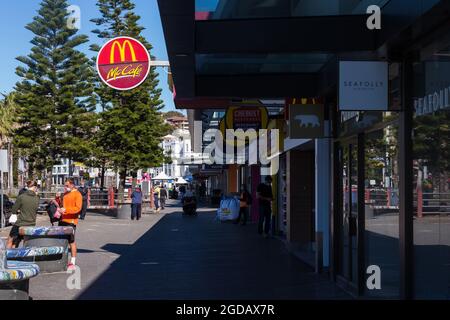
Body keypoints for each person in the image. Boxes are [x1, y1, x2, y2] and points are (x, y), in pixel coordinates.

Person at [6, 181, 40, 249]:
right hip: (31, 223)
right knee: (25, 241)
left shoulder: (22, 197)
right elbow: (35, 209)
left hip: (20, 223)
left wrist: (19, 210)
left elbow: (13, 210)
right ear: (35, 187)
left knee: (10, 239)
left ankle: (6, 256)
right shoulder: (37, 198)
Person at [60, 179, 83, 271]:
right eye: (65, 185)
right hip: (63, 219)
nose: (65, 187)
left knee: (71, 241)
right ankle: (62, 259)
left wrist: (66, 210)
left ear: (72, 185)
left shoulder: (78, 194)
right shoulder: (65, 194)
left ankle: (73, 261)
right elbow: (62, 205)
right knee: (61, 240)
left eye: (67, 185)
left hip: (71, 221)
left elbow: (78, 208)